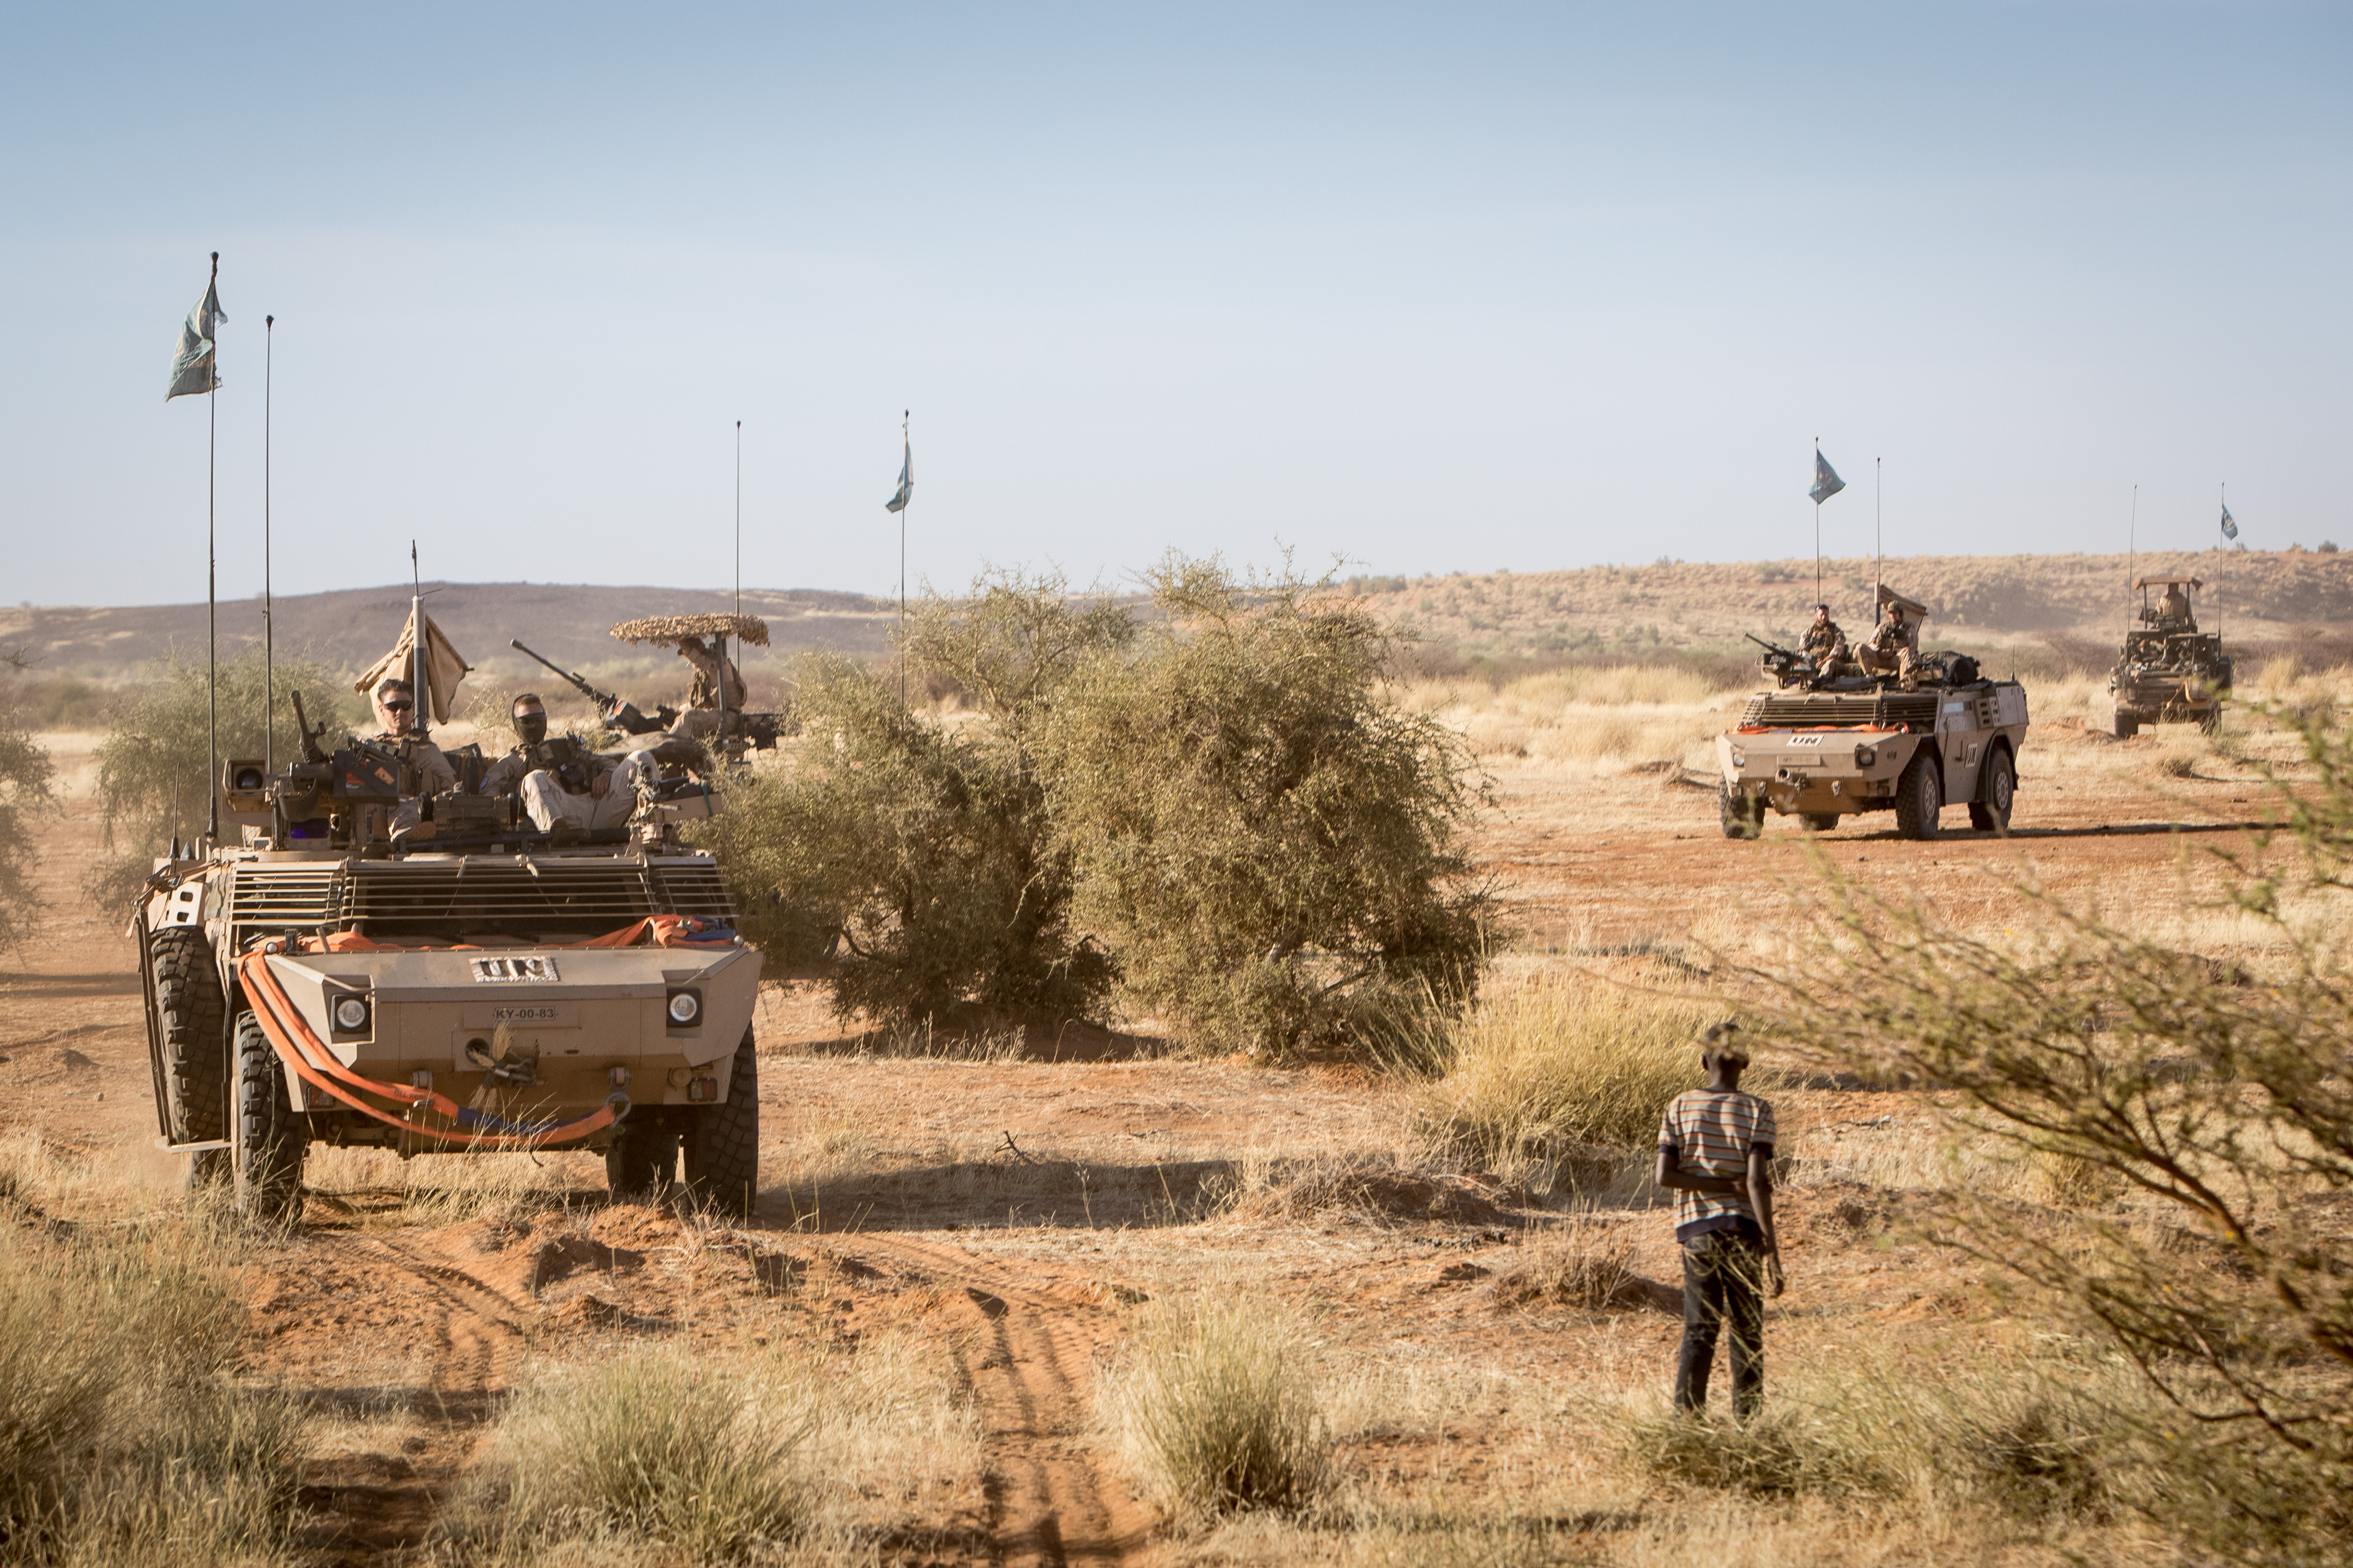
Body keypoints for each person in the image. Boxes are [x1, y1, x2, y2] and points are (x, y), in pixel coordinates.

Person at [1656, 1021, 1783, 1421]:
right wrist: (1773, 1250)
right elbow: (1756, 1183)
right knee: (1747, 1332)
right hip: (1743, 1231)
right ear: (1745, 1063)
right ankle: (1748, 1425)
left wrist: (1716, 1186)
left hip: (1697, 1232)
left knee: (1699, 1330)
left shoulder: (1679, 1106)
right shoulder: (1757, 1110)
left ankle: (1686, 1422)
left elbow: (1665, 1176)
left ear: (1703, 1061)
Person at [478, 692, 655, 832]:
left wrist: (607, 775)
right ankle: (557, 834)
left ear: (545, 720)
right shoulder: (511, 762)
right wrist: (515, 809)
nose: (533, 725)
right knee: (535, 778)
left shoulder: (564, 748)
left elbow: (609, 764)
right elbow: (488, 796)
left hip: (597, 808)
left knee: (641, 759)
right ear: (517, 725)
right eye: (527, 721)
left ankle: (657, 827)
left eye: (538, 719)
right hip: (563, 819)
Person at [366, 676, 457, 836]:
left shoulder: (426, 750)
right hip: (372, 815)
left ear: (413, 708)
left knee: (402, 805)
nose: (400, 712)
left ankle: (407, 835)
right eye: (393, 707)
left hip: (410, 812)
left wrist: (424, 801)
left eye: (406, 706)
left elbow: (451, 788)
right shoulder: (369, 748)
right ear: (381, 709)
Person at [672, 634, 747, 742]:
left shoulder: (719, 663)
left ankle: (666, 747)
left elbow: (700, 662)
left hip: (729, 717)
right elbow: (701, 703)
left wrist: (680, 639)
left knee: (688, 717)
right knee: (677, 718)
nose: (690, 660)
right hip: (717, 715)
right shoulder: (704, 674)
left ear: (701, 648)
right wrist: (678, 711)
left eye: (691, 654)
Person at [1857, 588, 1925, 691]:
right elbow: (1871, 643)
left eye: (1895, 613)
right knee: (1860, 647)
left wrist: (1894, 652)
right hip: (1880, 658)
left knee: (1907, 652)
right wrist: (1880, 651)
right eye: (1890, 613)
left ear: (1900, 613)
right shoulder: (1882, 627)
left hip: (1896, 659)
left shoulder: (1908, 628)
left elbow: (1913, 646)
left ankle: (1905, 682)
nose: (1892, 616)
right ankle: (1869, 677)